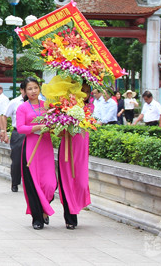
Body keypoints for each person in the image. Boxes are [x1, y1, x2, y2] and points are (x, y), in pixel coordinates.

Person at [16, 77, 57, 230]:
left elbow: (55, 123)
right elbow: (20, 128)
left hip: (45, 146)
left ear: (39, 89)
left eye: (35, 88)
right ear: (24, 91)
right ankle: (37, 218)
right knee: (33, 184)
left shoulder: (47, 106)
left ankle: (44, 209)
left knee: (50, 184)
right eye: (29, 89)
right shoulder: (23, 108)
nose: (33, 91)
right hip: (32, 147)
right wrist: (37, 127)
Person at [57, 82, 92, 230]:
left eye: (87, 92)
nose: (84, 95)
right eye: (81, 91)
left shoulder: (89, 109)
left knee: (82, 183)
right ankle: (70, 217)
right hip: (67, 148)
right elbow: (58, 132)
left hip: (82, 151)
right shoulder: (65, 108)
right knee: (67, 182)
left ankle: (76, 207)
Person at [3, 82, 25, 192]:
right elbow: (4, 116)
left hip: (34, 133)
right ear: (21, 90)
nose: (32, 91)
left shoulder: (39, 102)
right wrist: (4, 131)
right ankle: (15, 182)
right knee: (16, 159)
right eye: (28, 89)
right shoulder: (15, 102)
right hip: (18, 133)